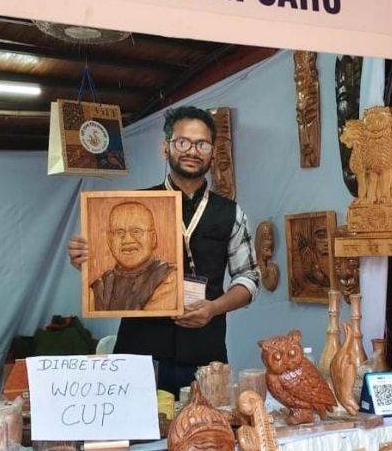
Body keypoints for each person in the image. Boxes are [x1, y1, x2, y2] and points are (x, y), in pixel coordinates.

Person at [68, 106, 260, 394]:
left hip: (205, 354)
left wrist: (214, 308)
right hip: (139, 353)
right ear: (165, 147)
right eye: (183, 142)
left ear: (212, 152)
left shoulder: (230, 212)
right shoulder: (133, 205)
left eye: (202, 144)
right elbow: (102, 264)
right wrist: (85, 259)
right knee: (135, 424)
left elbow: (249, 277)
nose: (192, 151)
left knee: (207, 423)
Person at [91, 201, 178, 311]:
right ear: (109, 240)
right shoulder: (100, 286)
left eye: (136, 231)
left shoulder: (169, 277)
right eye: (119, 233)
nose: (127, 240)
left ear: (153, 238)